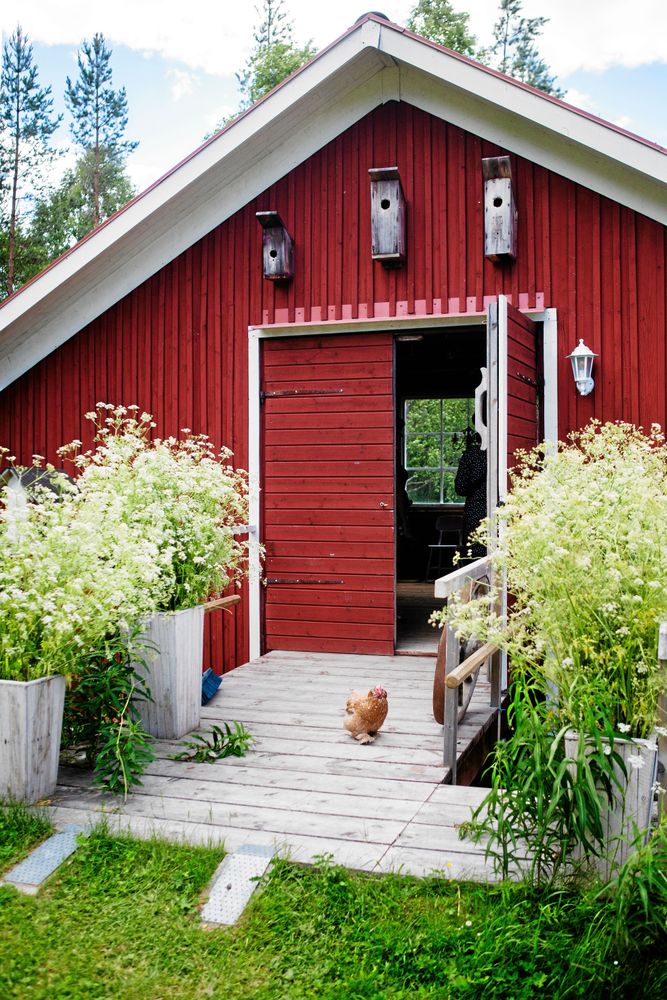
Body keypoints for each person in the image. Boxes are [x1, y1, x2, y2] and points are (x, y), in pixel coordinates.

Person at [455, 428, 487, 557]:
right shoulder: (501, 452)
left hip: (476, 510)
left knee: (476, 554)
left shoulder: (471, 455)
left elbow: (460, 488)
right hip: (499, 508)